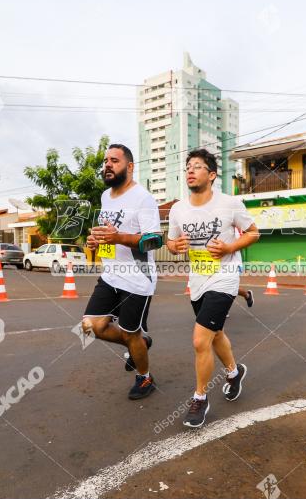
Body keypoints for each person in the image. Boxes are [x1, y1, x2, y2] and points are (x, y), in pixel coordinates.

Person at [166, 148, 260, 428]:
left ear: (212, 174)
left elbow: (255, 232)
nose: (190, 171)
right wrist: (175, 246)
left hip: (226, 276)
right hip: (198, 279)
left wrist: (230, 246)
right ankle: (234, 373)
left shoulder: (230, 203)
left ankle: (199, 398)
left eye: (197, 166)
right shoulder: (177, 209)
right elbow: (170, 243)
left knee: (199, 339)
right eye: (187, 167)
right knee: (215, 333)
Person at [82, 143, 161, 400]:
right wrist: (95, 241)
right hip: (110, 274)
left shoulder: (143, 198)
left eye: (114, 160)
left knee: (130, 332)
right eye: (106, 160)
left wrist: (119, 238)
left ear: (129, 166)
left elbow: (155, 241)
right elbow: (108, 232)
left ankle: (145, 377)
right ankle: (138, 343)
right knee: (91, 326)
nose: (107, 165)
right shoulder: (106, 197)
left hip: (137, 278)